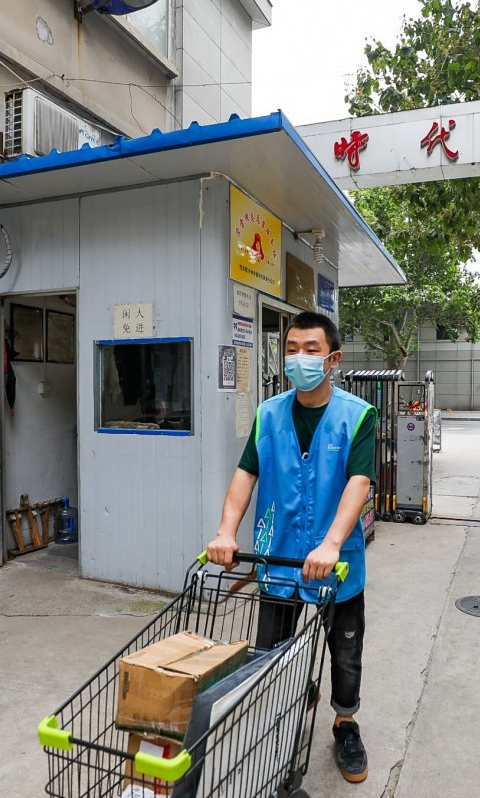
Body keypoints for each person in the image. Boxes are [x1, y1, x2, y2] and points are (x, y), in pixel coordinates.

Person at [206, 311, 377, 784]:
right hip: (277, 558)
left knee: (343, 652)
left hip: (335, 565)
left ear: (333, 358)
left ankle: (345, 722)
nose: (299, 358)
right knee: (271, 650)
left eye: (311, 349)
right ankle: (293, 695)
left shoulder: (357, 415)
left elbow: (358, 482)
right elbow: (246, 474)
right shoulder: (268, 413)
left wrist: (331, 544)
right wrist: (226, 532)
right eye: (292, 349)